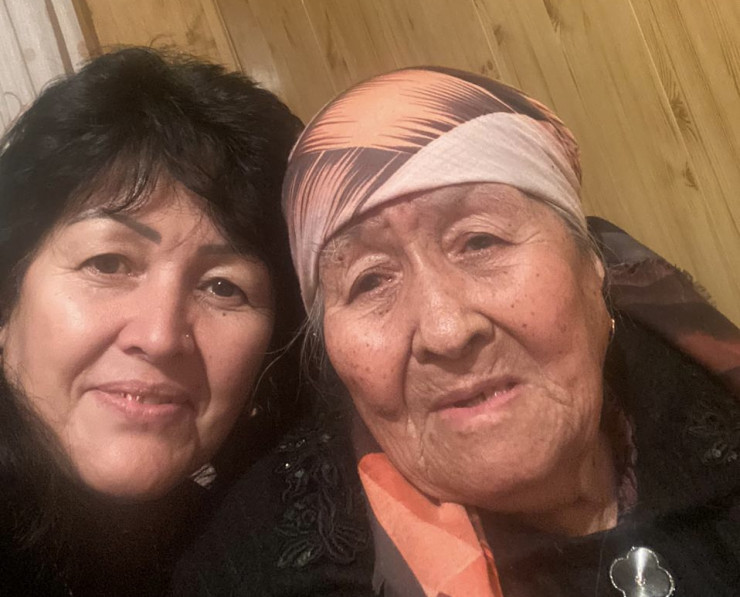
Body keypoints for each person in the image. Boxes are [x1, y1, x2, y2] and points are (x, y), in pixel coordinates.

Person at [177, 67, 740, 596]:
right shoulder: (256, 570)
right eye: (370, 281)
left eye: (480, 241)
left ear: (592, 264)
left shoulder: (705, 397)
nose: (446, 331)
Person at [0, 47, 303, 596]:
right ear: (7, 301)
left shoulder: (253, 546)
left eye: (223, 287)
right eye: (108, 263)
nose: (161, 337)